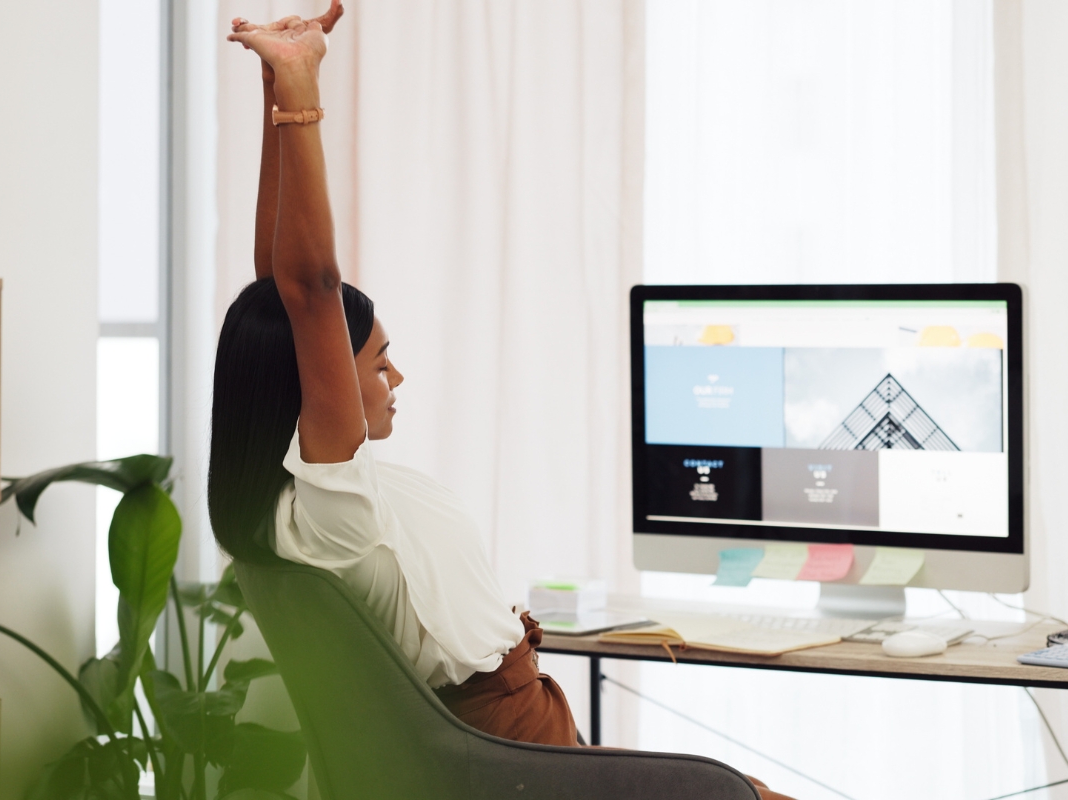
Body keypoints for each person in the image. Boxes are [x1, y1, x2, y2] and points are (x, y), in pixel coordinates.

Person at [211, 6, 793, 799]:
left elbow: (279, 289)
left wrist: (278, 90)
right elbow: (307, 292)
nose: (396, 379)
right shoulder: (333, 509)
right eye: (380, 362)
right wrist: (305, 88)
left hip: (498, 747)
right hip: (504, 753)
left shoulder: (286, 507)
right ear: (321, 383)